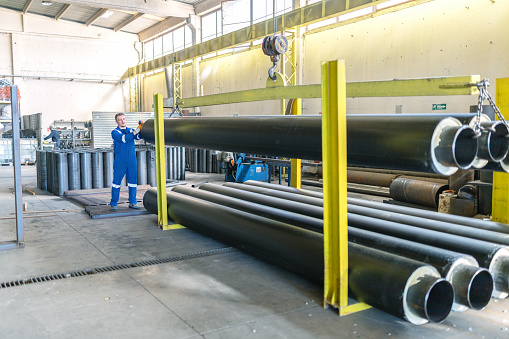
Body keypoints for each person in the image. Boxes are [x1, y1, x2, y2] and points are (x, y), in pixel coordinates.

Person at [110, 113, 143, 211]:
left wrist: (142, 128)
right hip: (120, 161)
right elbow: (124, 139)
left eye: (124, 119)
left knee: (133, 182)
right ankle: (114, 203)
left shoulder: (131, 130)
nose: (123, 121)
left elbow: (138, 137)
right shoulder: (115, 132)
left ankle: (133, 202)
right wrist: (137, 129)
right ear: (116, 122)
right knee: (116, 183)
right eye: (120, 120)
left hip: (131, 160)